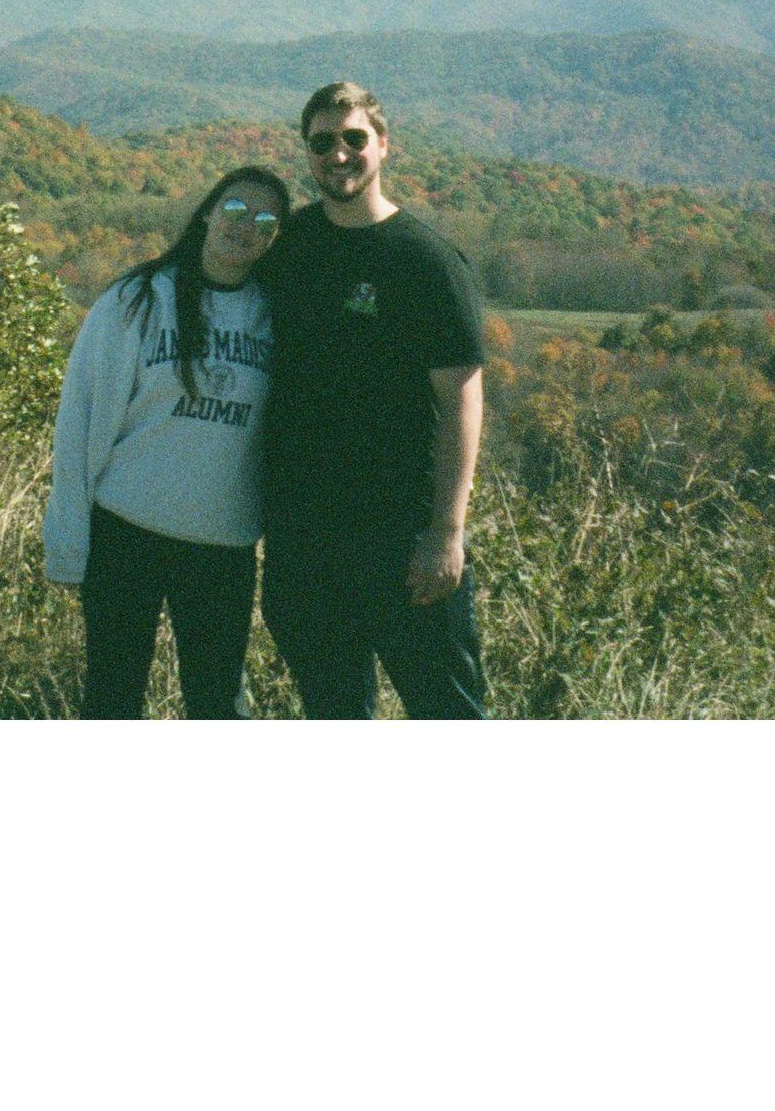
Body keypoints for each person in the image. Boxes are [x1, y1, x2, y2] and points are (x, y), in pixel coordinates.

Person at [259, 82, 491, 718]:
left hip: (402, 540)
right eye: (322, 143)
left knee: (447, 713)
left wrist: (447, 531)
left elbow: (463, 402)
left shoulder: (427, 262)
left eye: (353, 139)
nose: (338, 155)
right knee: (334, 715)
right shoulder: (289, 247)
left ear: (384, 146)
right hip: (303, 541)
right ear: (306, 153)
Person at [43, 165, 289, 718]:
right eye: (234, 210)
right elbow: (80, 420)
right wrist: (67, 540)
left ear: (276, 240)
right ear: (206, 212)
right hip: (124, 535)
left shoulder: (278, 316)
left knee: (216, 705)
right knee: (112, 699)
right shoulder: (138, 299)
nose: (245, 226)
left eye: (266, 221)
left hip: (223, 547)